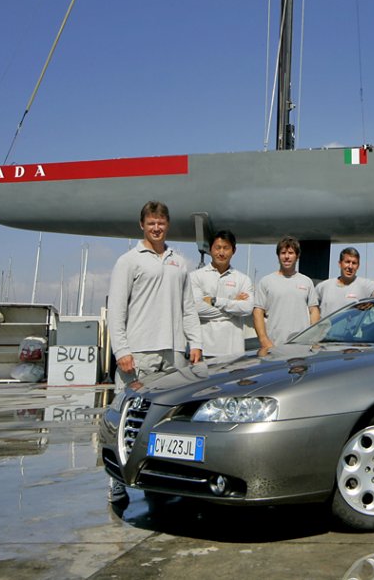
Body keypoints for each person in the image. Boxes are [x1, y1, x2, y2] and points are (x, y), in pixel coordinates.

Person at [106, 200, 203, 505]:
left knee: (166, 420)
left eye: (161, 222)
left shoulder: (179, 262)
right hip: (138, 351)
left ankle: (157, 478)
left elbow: (188, 307)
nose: (157, 228)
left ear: (168, 225)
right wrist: (121, 349)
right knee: (125, 417)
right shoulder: (128, 261)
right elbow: (116, 310)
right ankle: (117, 481)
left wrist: (195, 342)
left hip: (173, 352)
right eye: (151, 223)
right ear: (142, 226)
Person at [188, 229, 254, 359]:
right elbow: (195, 308)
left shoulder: (243, 279)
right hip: (205, 350)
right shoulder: (195, 276)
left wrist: (215, 301)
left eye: (226, 248)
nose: (221, 253)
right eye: (218, 248)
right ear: (211, 249)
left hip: (234, 351)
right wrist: (233, 307)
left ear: (233, 251)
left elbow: (247, 308)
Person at [253, 236, 320, 349]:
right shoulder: (266, 281)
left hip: (302, 347)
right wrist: (264, 340)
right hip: (274, 346)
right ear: (278, 256)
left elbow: (314, 310)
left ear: (297, 256)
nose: (287, 257)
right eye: (283, 253)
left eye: (291, 253)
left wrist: (314, 339)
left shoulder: (307, 282)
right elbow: (258, 312)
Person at [315, 247, 374, 316]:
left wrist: (370, 301)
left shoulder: (363, 285)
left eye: (354, 263)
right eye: (347, 262)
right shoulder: (323, 286)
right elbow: (312, 309)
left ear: (358, 266)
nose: (350, 266)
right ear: (340, 264)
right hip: (326, 330)